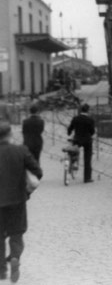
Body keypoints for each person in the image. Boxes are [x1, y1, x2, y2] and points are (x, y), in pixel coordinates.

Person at [0, 120, 43, 282]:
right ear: (10, 134)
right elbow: (37, 171)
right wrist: (26, 191)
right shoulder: (21, 151)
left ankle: (1, 270)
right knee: (16, 233)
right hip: (17, 201)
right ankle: (15, 257)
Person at [67, 104, 96, 183]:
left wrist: (69, 133)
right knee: (87, 159)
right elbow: (92, 132)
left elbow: (70, 128)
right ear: (88, 111)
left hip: (77, 139)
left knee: (73, 152)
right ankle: (87, 178)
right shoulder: (90, 120)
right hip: (87, 140)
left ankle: (72, 162)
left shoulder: (75, 118)